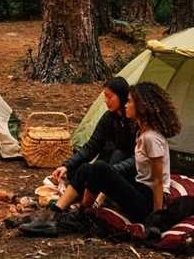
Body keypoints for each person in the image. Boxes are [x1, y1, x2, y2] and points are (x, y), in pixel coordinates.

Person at [77, 82, 181, 222]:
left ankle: (82, 214)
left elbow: (158, 181)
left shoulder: (151, 138)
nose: (125, 104)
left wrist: (156, 216)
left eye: (130, 101)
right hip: (139, 188)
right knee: (88, 169)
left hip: (147, 201)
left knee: (100, 168)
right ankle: (74, 209)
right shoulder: (141, 133)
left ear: (141, 107)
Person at [49, 77, 136, 214]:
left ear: (122, 96)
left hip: (126, 171)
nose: (106, 101)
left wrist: (110, 171)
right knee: (77, 169)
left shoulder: (135, 121)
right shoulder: (109, 117)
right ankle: (60, 209)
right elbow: (92, 146)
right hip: (107, 164)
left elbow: (138, 159)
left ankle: (90, 205)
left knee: (118, 154)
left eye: (110, 97)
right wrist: (66, 165)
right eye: (105, 97)